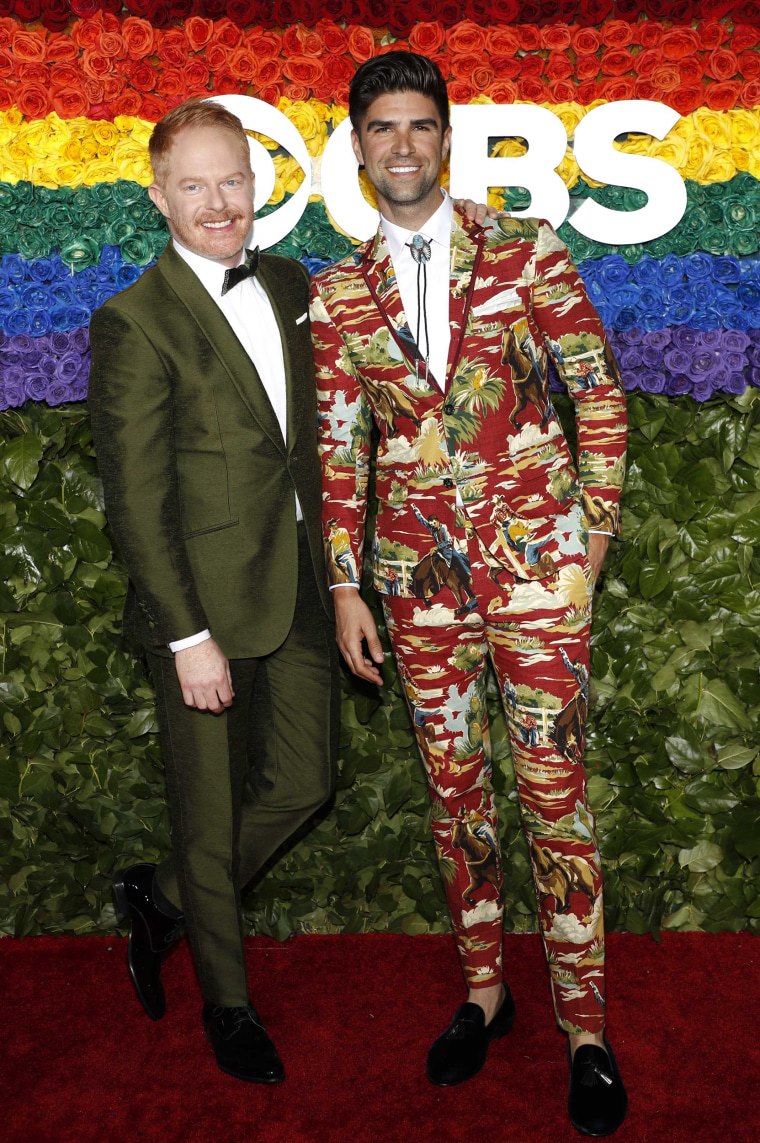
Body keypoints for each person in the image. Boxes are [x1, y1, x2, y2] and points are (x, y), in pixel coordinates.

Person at [312, 52, 629, 1135]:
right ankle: (484, 995)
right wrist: (345, 586)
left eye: (419, 125)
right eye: (381, 128)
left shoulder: (526, 251)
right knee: (456, 800)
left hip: (541, 574)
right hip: (416, 591)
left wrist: (588, 539)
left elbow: (597, 395)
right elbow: (338, 452)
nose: (400, 145)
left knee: (554, 798)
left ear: (446, 138)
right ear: (357, 147)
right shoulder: (339, 291)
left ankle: (585, 1029)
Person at [88, 99, 341, 1085]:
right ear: (159, 197)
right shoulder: (134, 322)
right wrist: (184, 633)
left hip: (302, 591)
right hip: (198, 608)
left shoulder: (288, 284)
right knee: (208, 813)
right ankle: (226, 1005)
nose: (217, 202)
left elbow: (308, 447)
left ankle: (159, 899)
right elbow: (134, 502)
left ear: (257, 182)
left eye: (231, 179)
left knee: (303, 783)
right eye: (192, 186)